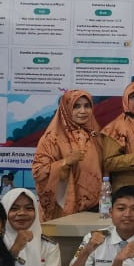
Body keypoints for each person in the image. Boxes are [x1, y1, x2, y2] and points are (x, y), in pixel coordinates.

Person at [33, 89, 104, 220]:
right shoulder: (51, 138)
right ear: (66, 108)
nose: (83, 111)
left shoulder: (95, 135)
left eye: (87, 106)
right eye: (76, 106)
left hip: (95, 207)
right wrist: (65, 162)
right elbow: (38, 172)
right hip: (64, 210)